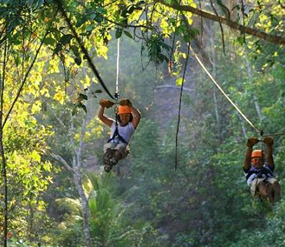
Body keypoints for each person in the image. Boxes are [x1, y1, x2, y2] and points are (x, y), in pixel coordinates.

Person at [98, 98, 141, 172]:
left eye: (126, 116)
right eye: (122, 116)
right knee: (110, 146)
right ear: (119, 116)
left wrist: (129, 106)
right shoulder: (113, 124)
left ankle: (113, 159)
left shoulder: (131, 127)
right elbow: (101, 117)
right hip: (111, 147)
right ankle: (108, 161)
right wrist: (102, 106)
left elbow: (137, 116)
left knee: (121, 147)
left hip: (122, 151)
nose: (124, 118)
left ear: (130, 117)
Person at [243, 136, 281, 204]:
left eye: (260, 160)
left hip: (268, 182)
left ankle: (274, 196)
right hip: (255, 186)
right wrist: (250, 147)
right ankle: (266, 194)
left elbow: (269, 157)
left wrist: (269, 146)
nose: (257, 162)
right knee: (260, 183)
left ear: (263, 161)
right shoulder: (249, 169)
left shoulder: (268, 168)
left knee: (274, 182)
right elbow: (247, 159)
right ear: (251, 161)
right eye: (255, 160)